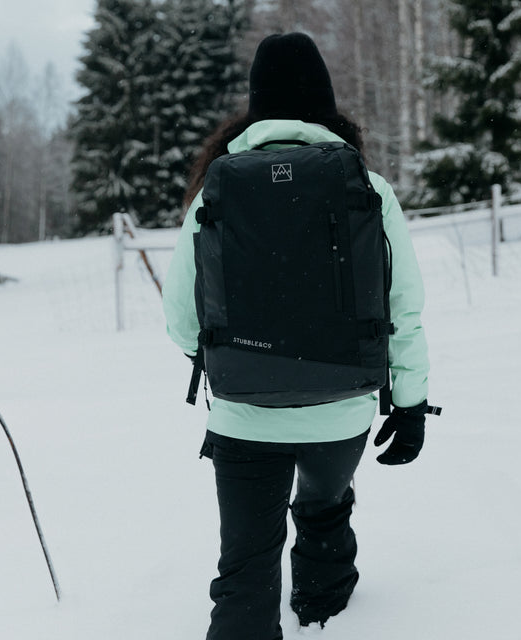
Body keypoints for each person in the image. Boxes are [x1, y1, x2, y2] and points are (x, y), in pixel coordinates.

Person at [162, 32, 433, 640]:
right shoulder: (368, 186)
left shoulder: (219, 186)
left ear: (256, 105)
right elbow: (404, 308)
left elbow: (180, 312)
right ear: (325, 102)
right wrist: (411, 404)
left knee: (245, 568)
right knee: (322, 506)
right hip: (342, 410)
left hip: (242, 417)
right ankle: (325, 602)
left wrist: (230, 359)